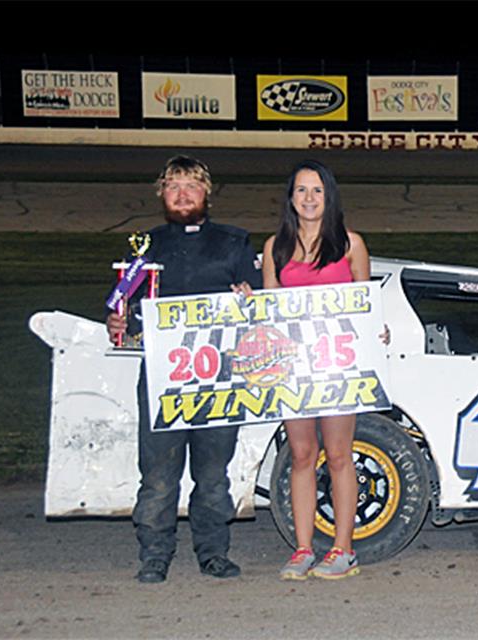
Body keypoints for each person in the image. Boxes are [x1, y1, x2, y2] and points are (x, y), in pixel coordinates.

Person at [106, 155, 262, 583]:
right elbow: (123, 311)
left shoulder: (234, 244)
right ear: (161, 194)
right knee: (158, 474)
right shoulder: (145, 248)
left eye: (191, 186)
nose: (182, 195)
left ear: (206, 192)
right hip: (162, 382)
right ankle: (154, 554)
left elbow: (262, 312)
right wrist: (117, 322)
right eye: (173, 186)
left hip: (218, 381)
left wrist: (251, 297)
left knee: (213, 475)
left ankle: (213, 552)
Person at [263, 160, 370, 580]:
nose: (308, 199)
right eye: (301, 190)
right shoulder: (276, 247)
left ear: (330, 197)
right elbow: (269, 309)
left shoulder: (350, 244)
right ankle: (303, 547)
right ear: (290, 197)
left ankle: (344, 549)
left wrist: (374, 336)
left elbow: (365, 304)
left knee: (339, 455)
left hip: (338, 365)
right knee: (302, 455)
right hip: (294, 367)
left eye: (317, 191)